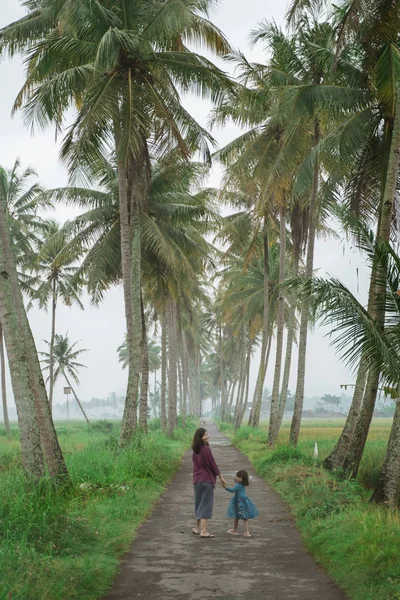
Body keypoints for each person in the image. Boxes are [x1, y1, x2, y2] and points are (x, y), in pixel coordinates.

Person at [192, 428, 226, 538]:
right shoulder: (206, 449)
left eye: (207, 434)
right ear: (200, 437)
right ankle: (204, 531)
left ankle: (197, 529)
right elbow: (212, 464)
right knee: (205, 505)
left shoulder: (195, 450)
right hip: (206, 480)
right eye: (204, 435)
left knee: (198, 504)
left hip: (197, 480)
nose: (207, 437)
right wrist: (221, 476)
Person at [224, 470, 258, 537]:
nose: (237, 478)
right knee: (245, 517)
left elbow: (232, 490)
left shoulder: (238, 485)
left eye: (239, 477)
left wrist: (225, 487)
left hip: (239, 502)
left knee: (237, 516)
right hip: (244, 500)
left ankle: (235, 530)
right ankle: (247, 532)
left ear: (243, 479)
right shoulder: (242, 484)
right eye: (237, 477)